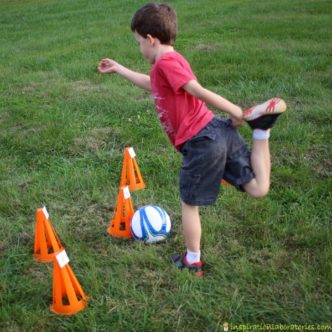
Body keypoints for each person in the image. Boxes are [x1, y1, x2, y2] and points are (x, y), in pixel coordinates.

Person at [98, 3, 287, 277]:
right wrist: (119, 69)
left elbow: (197, 90)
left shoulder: (167, 62)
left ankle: (192, 261)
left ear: (151, 40)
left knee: (189, 203)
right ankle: (262, 131)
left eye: (139, 42)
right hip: (216, 132)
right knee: (258, 188)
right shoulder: (166, 65)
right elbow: (151, 84)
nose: (139, 48)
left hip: (202, 141)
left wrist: (235, 110)